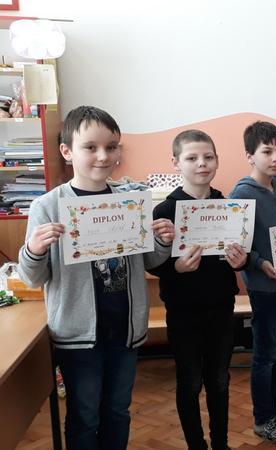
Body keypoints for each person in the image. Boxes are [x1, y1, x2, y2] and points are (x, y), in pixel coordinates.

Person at [16, 105, 175, 449]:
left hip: (125, 330)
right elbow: (32, 278)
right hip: (78, 335)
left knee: (118, 410)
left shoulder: (131, 201)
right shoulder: (48, 206)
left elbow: (149, 261)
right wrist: (34, 249)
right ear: (67, 151)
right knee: (85, 414)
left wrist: (162, 242)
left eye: (111, 147)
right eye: (91, 147)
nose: (103, 156)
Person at [148, 130, 247, 450]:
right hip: (183, 312)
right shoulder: (164, 211)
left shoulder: (228, 207)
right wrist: (175, 267)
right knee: (190, 382)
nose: (201, 164)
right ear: (176, 163)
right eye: (192, 158)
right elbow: (152, 264)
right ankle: (196, 445)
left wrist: (241, 261)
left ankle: (220, 443)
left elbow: (240, 255)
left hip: (221, 308)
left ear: (217, 160)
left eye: (208, 157)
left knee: (219, 380)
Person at [229, 121, 276, 444]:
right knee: (265, 356)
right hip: (265, 289)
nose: (275, 158)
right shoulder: (242, 194)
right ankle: (263, 418)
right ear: (250, 155)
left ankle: (274, 411)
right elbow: (240, 247)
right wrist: (262, 264)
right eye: (267, 152)